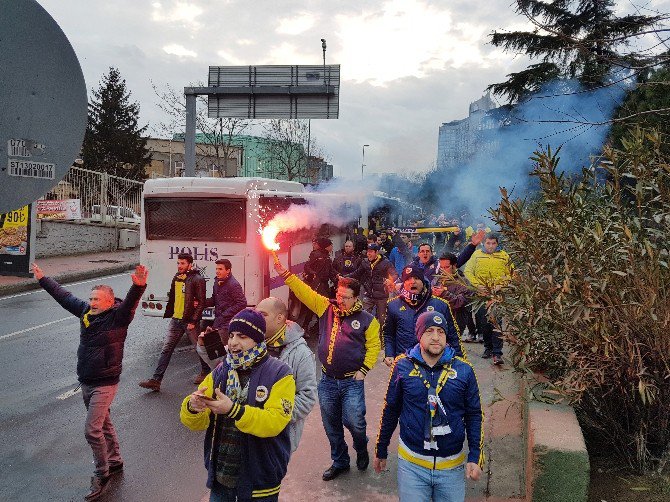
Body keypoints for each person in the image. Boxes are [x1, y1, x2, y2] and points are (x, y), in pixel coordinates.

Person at [32, 262, 147, 501]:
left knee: (92, 430)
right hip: (86, 379)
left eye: (97, 300)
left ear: (109, 302)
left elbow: (130, 305)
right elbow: (64, 297)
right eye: (91, 298)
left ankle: (101, 473)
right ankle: (115, 461)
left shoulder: (118, 318)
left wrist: (138, 287)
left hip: (105, 382)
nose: (93, 303)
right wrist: (43, 279)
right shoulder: (85, 313)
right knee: (104, 424)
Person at [274, 259, 381, 481]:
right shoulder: (326, 307)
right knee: (331, 425)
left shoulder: (368, 320)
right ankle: (340, 461)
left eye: (345, 297)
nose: (340, 300)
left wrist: (364, 370)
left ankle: (361, 448)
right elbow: (304, 292)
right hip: (328, 381)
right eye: (339, 295)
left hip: (352, 381)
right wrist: (285, 273)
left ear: (356, 298)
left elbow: (374, 346)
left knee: (355, 422)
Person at [180, 308, 296, 501]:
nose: (233, 342)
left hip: (260, 480)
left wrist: (233, 410)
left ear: (257, 339)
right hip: (221, 477)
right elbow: (197, 423)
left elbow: (275, 422)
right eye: (232, 335)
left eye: (242, 336)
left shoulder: (280, 373)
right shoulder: (221, 370)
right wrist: (193, 407)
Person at [374, 311, 484, 502]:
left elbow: (474, 415)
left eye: (441, 332)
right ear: (419, 334)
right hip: (412, 464)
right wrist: (381, 449)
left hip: (451, 466)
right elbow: (391, 409)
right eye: (429, 331)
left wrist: (475, 456)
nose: (435, 337)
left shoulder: (464, 370)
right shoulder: (402, 366)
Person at [139, 253, 208, 392]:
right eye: (178, 263)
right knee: (166, 349)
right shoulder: (177, 277)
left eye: (182, 263)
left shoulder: (197, 279)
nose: (179, 266)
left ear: (190, 264)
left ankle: (207, 373)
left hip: (189, 322)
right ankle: (156, 380)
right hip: (176, 320)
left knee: (199, 349)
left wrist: (194, 321)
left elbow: (201, 302)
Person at [256, 297, 318, 452]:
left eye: (262, 314)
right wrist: (206, 346)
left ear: (279, 318)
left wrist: (274, 416)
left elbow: (307, 397)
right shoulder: (252, 343)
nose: (257, 318)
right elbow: (224, 368)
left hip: (278, 441)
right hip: (248, 431)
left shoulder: (301, 354)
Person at [383, 264, 464, 367]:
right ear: (404, 283)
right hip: (404, 363)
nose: (413, 281)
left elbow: (453, 335)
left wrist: (459, 361)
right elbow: (389, 334)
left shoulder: (441, 305)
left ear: (422, 281)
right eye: (408, 279)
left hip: (435, 363)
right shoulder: (393, 305)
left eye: (416, 278)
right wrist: (389, 354)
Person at [463, 233, 513, 365]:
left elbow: (511, 273)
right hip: (481, 295)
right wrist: (477, 285)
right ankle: (488, 348)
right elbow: (468, 271)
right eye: (488, 243)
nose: (491, 246)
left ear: (497, 244)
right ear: (484, 243)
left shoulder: (504, 256)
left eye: (493, 243)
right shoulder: (477, 255)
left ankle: (497, 352)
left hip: (497, 295)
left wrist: (500, 285)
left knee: (496, 322)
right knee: (484, 323)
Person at [346, 243, 398, 330]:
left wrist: (390, 280)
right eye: (367, 252)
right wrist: (345, 277)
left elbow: (395, 274)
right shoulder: (365, 262)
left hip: (382, 296)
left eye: (371, 252)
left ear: (377, 252)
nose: (368, 254)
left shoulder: (386, 263)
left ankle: (382, 338)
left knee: (383, 320)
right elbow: (357, 273)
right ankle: (365, 336)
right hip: (368, 294)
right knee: (365, 316)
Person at [432, 253, 475, 339]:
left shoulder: (463, 282)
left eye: (446, 267)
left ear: (454, 266)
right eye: (441, 267)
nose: (443, 270)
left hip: (455, 321)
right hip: (438, 319)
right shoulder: (437, 279)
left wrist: (444, 294)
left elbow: (461, 303)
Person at [206, 258, 248, 343]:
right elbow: (214, 299)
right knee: (214, 349)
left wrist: (225, 314)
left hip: (228, 324)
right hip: (218, 322)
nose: (217, 271)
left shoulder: (233, 284)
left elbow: (242, 303)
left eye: (220, 269)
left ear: (228, 270)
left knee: (222, 350)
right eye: (216, 269)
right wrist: (201, 303)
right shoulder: (217, 282)